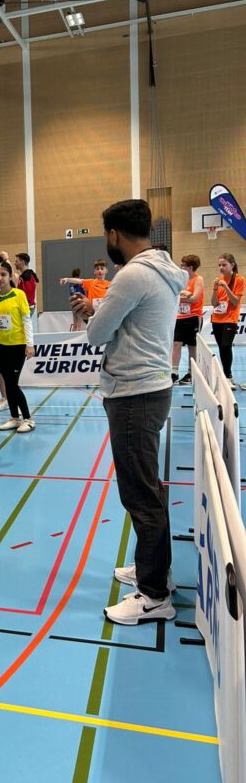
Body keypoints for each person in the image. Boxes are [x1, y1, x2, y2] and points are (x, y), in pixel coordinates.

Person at [71, 199, 186, 625]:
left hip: (134, 394)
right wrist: (99, 308)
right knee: (148, 488)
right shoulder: (160, 268)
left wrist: (94, 314)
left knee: (139, 494)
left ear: (114, 234)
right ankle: (155, 568)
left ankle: (154, 596)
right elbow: (127, 319)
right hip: (149, 389)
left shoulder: (133, 274)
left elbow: (97, 335)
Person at [0, 259, 35, 433]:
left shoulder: (19, 295)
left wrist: (30, 344)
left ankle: (28, 419)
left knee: (13, 384)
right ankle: (15, 418)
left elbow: (27, 320)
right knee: (8, 384)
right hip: (1, 346)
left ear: (9, 276)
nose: (0, 278)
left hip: (17, 345)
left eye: (3, 275)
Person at [210, 252, 244, 389]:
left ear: (232, 265)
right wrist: (214, 289)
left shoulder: (239, 279)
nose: (221, 268)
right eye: (219, 265)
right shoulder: (218, 280)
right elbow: (214, 303)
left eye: (224, 265)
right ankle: (225, 375)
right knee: (221, 348)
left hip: (230, 318)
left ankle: (228, 376)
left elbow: (235, 302)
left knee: (226, 345)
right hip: (217, 319)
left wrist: (226, 287)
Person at [172, 254, 204, 385]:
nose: (181, 267)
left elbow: (195, 298)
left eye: (183, 266)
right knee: (176, 344)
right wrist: (186, 295)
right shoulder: (181, 280)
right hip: (179, 316)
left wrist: (181, 296)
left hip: (193, 317)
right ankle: (174, 372)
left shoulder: (198, 279)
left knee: (192, 345)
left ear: (190, 267)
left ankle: (191, 373)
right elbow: (174, 295)